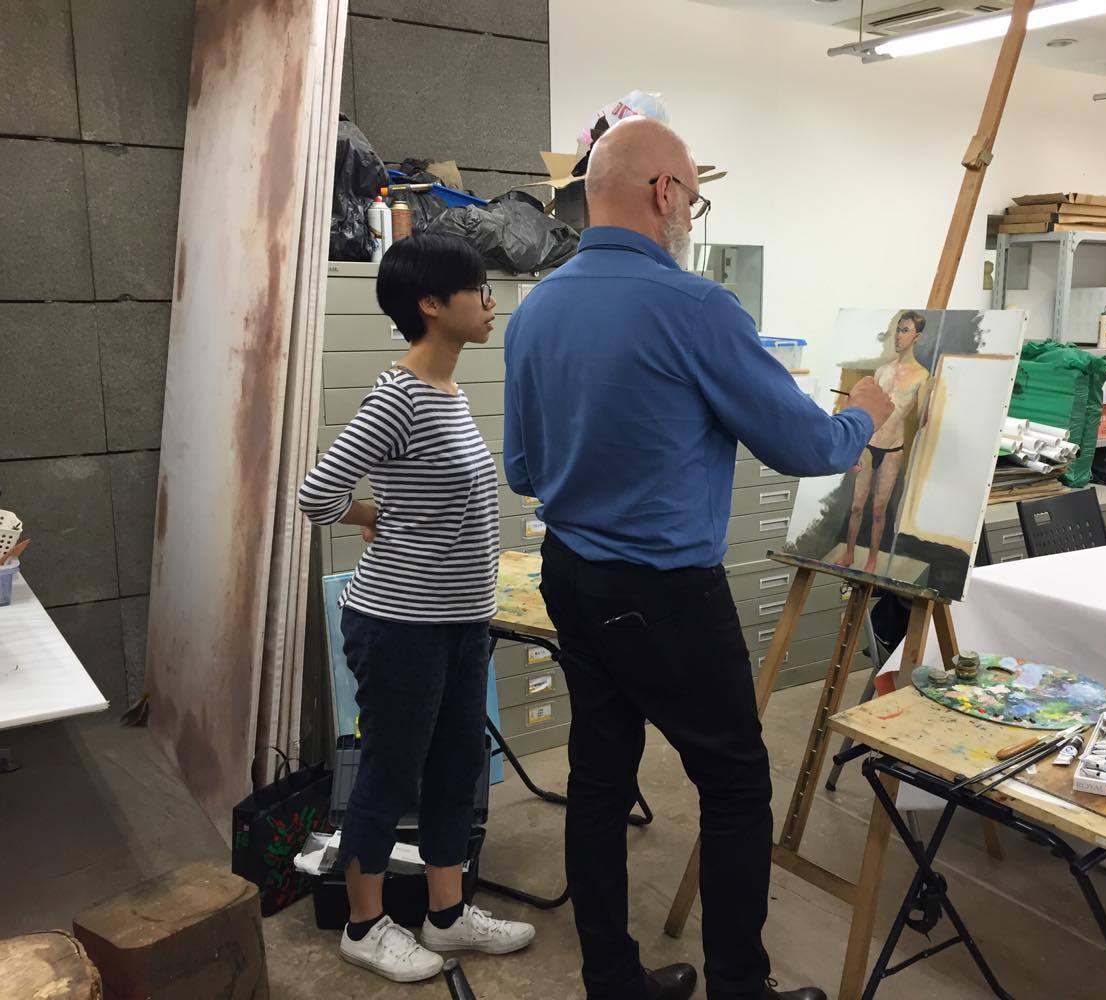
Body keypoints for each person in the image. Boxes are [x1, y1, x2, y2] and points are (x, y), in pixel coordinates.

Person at [503, 117, 894, 1000]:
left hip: (571, 576)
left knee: (599, 778)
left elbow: (523, 471)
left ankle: (611, 979)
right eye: (694, 197)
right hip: (664, 595)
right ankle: (739, 988)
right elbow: (809, 447)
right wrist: (866, 413)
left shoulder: (537, 309)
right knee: (735, 784)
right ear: (664, 192)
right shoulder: (696, 306)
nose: (691, 215)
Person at [298, 234, 535, 984]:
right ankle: (364, 926)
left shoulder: (449, 392)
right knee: (391, 774)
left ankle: (446, 913)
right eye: (478, 290)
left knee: (458, 767)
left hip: (459, 622)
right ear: (431, 304)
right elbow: (316, 494)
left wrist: (392, 514)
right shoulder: (398, 396)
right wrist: (371, 514)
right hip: (400, 626)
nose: (490, 303)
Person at [834, 311, 930, 573]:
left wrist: (928, 396)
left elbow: (922, 420)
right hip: (869, 444)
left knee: (879, 509)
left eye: (905, 330)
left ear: (917, 337)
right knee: (857, 505)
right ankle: (849, 552)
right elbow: (867, 408)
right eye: (898, 329)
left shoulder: (922, 375)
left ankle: (872, 560)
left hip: (892, 449)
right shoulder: (882, 370)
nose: (898, 336)